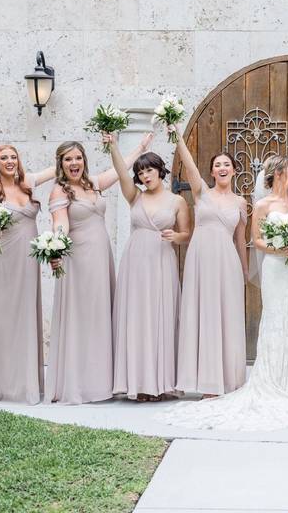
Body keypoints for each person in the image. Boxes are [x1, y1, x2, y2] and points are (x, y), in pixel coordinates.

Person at [153, 156, 288, 431]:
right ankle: (269, 379)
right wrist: (280, 248)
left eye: (227, 165)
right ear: (277, 173)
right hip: (273, 266)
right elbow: (257, 240)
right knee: (275, 320)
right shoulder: (260, 205)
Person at [44, 134, 152, 404]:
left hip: (101, 256)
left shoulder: (92, 184)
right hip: (78, 260)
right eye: (68, 159)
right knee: (81, 316)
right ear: (61, 163)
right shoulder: (59, 190)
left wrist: (139, 148)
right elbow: (60, 223)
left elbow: (119, 170)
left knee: (100, 314)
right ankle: (79, 383)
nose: (74, 163)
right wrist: (56, 246)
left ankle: (101, 382)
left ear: (84, 161)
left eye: (78, 157)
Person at [170, 124, 250, 397]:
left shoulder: (241, 202)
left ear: (234, 170)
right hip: (200, 260)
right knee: (201, 313)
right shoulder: (201, 192)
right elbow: (189, 163)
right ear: (212, 171)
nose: (222, 168)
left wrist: (245, 272)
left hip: (227, 263)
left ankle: (225, 378)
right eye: (218, 165)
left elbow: (241, 240)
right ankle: (203, 379)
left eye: (227, 164)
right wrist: (177, 135)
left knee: (224, 316)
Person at [109, 135, 190, 402]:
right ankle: (138, 384)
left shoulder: (177, 201)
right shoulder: (135, 197)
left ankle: (161, 383)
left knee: (160, 318)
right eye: (141, 172)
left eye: (149, 170)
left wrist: (176, 238)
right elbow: (121, 174)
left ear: (160, 171)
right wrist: (113, 146)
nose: (145, 176)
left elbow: (186, 233)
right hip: (135, 261)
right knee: (137, 319)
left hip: (161, 261)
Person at [0, 145, 55, 404]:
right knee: (2, 315)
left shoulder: (28, 182)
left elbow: (57, 168)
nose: (9, 161)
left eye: (13, 157)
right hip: (3, 258)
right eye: (3, 158)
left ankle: (25, 383)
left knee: (24, 314)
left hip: (28, 259)